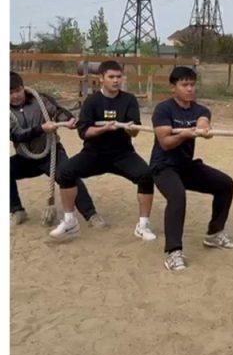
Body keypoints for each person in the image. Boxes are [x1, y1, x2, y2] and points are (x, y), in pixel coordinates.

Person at [51, 60, 157, 242]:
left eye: (119, 77)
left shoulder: (129, 100)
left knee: (146, 175)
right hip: (94, 153)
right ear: (101, 78)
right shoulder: (92, 101)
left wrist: (130, 129)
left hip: (122, 153)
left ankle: (143, 225)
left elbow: (135, 130)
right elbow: (84, 132)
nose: (116, 80)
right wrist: (104, 128)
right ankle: (70, 221)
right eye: (111, 77)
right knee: (65, 172)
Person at [150, 66, 233, 271]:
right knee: (177, 196)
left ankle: (214, 233)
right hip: (163, 167)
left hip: (186, 166)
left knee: (225, 184)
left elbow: (203, 120)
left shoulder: (200, 109)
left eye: (192, 84)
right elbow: (165, 143)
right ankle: (173, 252)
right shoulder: (163, 109)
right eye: (184, 85)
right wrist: (184, 135)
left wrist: (203, 128)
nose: (189, 89)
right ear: (173, 87)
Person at [9, 71, 101, 236]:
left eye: (18, 90)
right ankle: (17, 210)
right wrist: (41, 129)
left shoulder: (40, 100)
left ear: (23, 88)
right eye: (10, 93)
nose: (15, 96)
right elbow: (16, 135)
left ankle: (91, 215)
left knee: (68, 175)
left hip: (51, 153)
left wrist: (68, 119)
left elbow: (57, 112)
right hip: (26, 158)